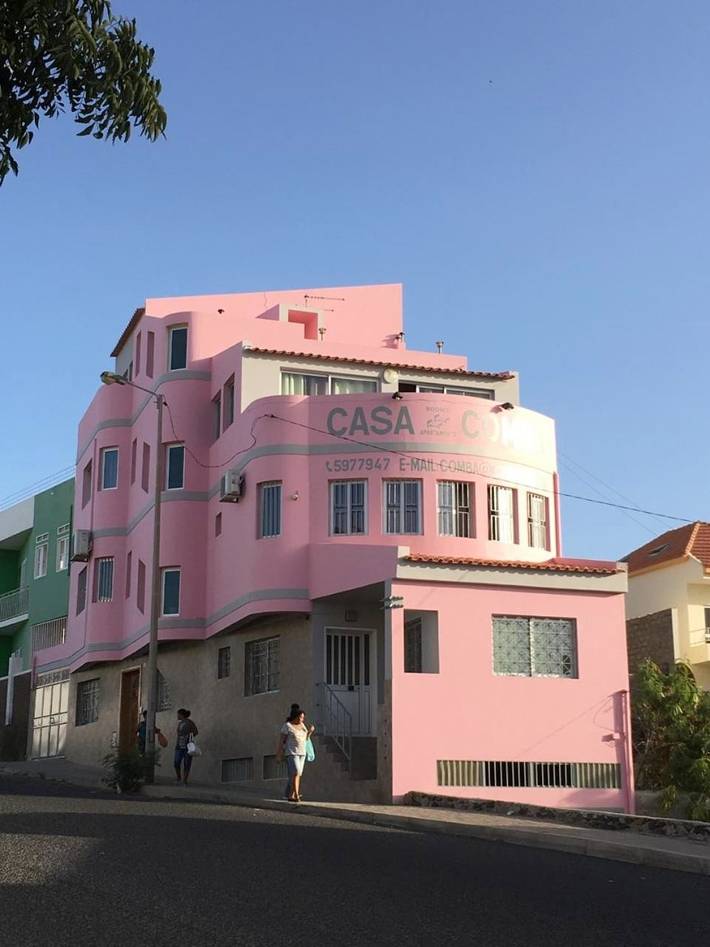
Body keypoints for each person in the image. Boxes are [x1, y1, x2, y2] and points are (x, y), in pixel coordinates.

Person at [277, 708, 314, 802]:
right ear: (295, 717)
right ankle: (296, 795)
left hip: (302, 753)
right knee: (296, 772)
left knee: (297, 774)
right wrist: (279, 754)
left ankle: (291, 795)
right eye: (300, 717)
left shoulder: (302, 725)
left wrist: (310, 732)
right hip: (292, 753)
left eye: (303, 718)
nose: (302, 719)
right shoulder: (287, 726)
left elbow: (306, 738)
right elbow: (281, 741)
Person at [174, 708, 198, 784]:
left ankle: (184, 780)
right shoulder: (180, 723)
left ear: (181, 715)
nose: (177, 716)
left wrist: (189, 736)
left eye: (178, 714)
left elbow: (195, 732)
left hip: (187, 746)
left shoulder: (190, 722)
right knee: (176, 762)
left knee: (187, 763)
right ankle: (178, 778)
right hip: (179, 746)